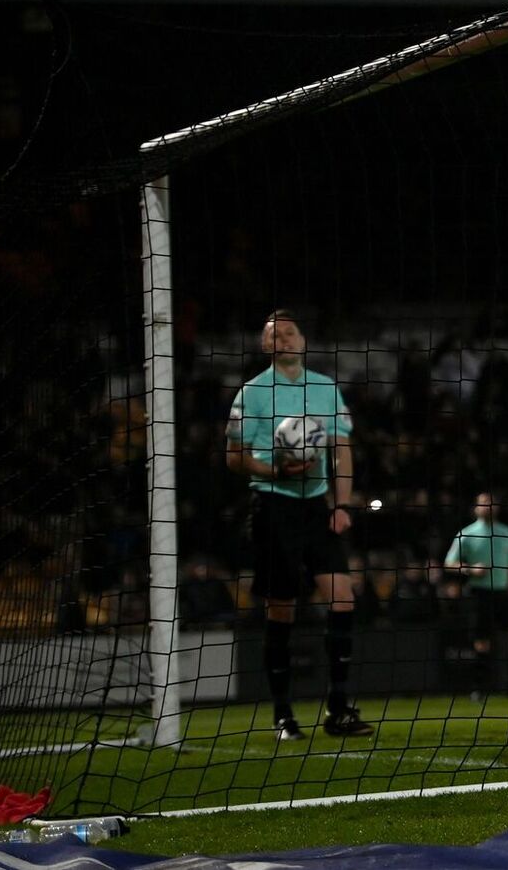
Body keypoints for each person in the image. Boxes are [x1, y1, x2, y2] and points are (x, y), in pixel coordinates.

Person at [224, 309, 373, 740]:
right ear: (265, 346)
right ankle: (284, 714)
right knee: (282, 609)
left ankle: (339, 710)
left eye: (290, 333)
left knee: (342, 598)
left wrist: (341, 504)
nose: (284, 339)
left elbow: (342, 449)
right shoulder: (251, 393)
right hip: (273, 505)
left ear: (303, 341)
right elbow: (233, 458)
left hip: (317, 507)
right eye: (275, 335)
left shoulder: (325, 388)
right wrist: (276, 470)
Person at [443, 492, 508, 698]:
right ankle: (479, 687)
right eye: (484, 504)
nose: (488, 507)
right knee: (482, 642)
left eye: (491, 504)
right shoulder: (467, 533)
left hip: (502, 592)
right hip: (479, 593)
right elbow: (449, 563)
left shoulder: (507, 532)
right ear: (476, 508)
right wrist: (471, 569)